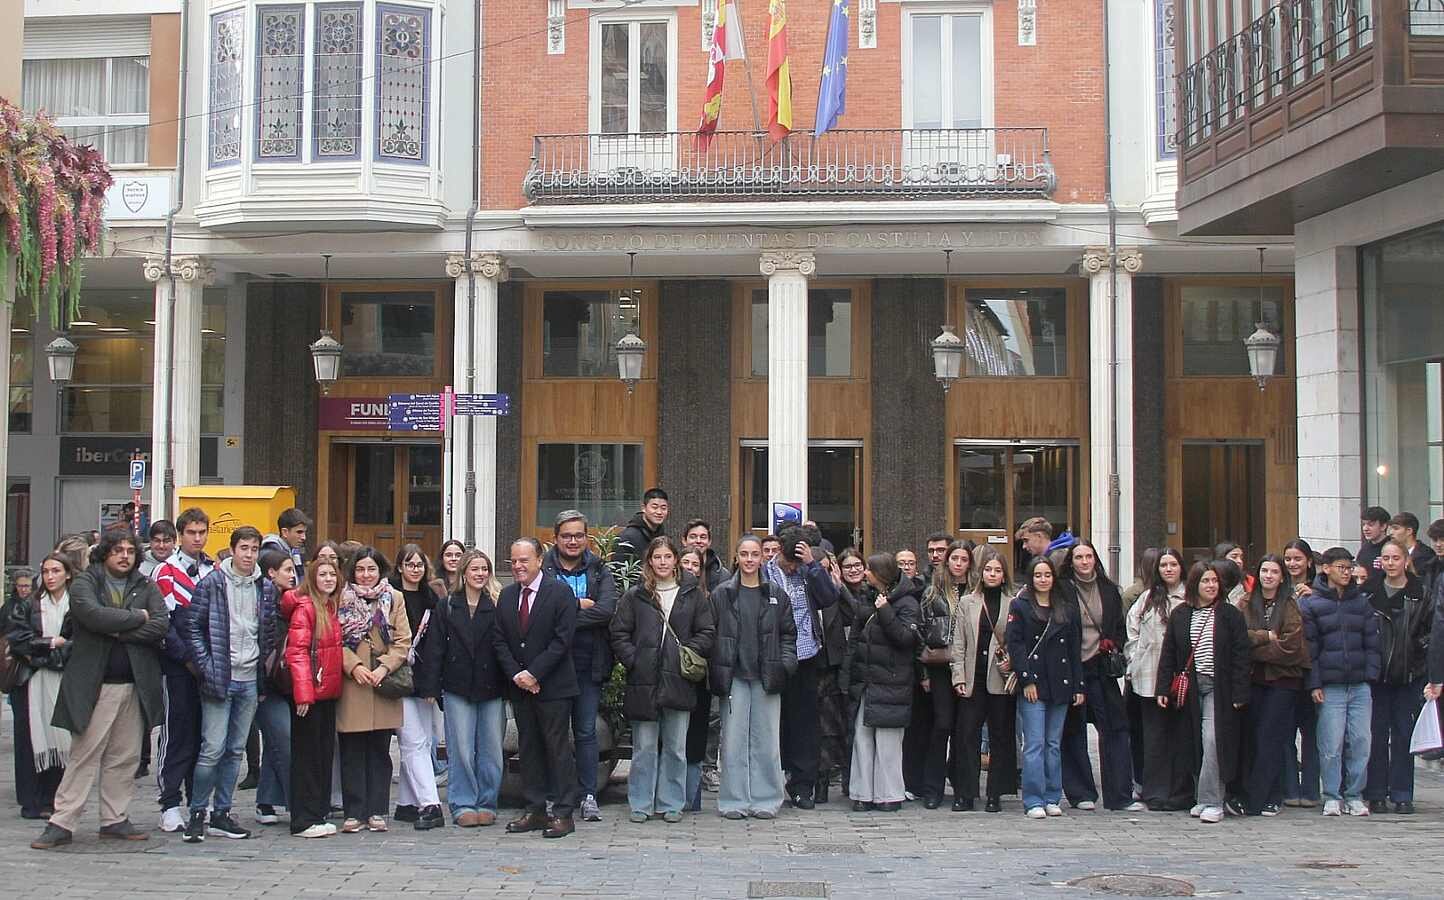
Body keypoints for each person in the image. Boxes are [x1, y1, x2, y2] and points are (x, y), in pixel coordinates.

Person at [31, 530, 169, 850]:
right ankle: (62, 821)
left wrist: (119, 632)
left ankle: (114, 818)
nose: (124, 556)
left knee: (125, 756)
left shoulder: (145, 585)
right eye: (117, 550)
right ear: (104, 553)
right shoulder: (85, 583)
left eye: (129, 551)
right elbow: (92, 615)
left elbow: (161, 623)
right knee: (84, 754)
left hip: (134, 685)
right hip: (96, 685)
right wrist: (136, 618)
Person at [179, 526, 276, 843]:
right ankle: (197, 812)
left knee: (235, 750)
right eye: (244, 548)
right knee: (212, 748)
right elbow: (193, 626)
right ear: (233, 550)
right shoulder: (213, 583)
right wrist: (207, 666)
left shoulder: (265, 586)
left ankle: (222, 812)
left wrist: (261, 663)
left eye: (254, 549)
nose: (249, 555)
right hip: (221, 677)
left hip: (250, 678)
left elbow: (270, 628)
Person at [611, 536, 716, 823]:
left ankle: (671, 802)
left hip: (679, 680)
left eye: (667, 557)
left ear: (675, 561)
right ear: (649, 561)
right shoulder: (635, 595)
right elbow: (619, 633)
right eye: (657, 557)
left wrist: (686, 654)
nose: (662, 562)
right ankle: (641, 803)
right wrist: (634, 660)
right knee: (644, 748)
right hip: (643, 681)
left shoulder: (691, 594)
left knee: (675, 747)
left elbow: (706, 632)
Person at [496, 537, 579, 839]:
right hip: (520, 686)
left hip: (553, 686)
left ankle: (563, 812)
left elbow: (562, 641)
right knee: (528, 748)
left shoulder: (560, 593)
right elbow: (500, 640)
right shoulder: (506, 596)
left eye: (523, 561)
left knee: (557, 749)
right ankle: (534, 808)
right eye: (513, 561)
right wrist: (517, 674)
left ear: (539, 560)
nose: (518, 566)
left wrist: (534, 673)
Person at [1155, 561, 1251, 824]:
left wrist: (1240, 693)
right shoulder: (1181, 614)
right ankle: (1199, 795)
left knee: (1212, 741)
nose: (1211, 586)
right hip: (1190, 688)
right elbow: (1170, 654)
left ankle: (1212, 800)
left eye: (1214, 581)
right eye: (1205, 581)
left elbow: (1242, 656)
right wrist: (1163, 687)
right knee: (1192, 742)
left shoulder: (1230, 615)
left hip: (1219, 689)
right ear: (1195, 585)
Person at [709, 535, 796, 819]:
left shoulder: (776, 595)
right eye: (744, 554)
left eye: (754, 554)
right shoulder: (722, 594)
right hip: (734, 676)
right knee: (732, 742)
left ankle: (767, 798)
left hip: (767, 677)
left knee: (766, 741)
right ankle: (733, 800)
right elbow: (710, 634)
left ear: (763, 558)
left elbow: (788, 635)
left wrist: (785, 665)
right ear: (736, 557)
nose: (749, 560)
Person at [418, 550, 506, 827]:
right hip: (457, 686)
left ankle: (487, 801)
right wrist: (431, 687)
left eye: (484, 569)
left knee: (491, 749)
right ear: (464, 573)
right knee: (462, 749)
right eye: (475, 569)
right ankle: (463, 802)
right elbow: (435, 649)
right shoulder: (446, 606)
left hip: (491, 686)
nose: (480, 574)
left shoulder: (496, 605)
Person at [1059, 540, 1141, 812]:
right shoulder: (1063, 589)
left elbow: (1119, 625)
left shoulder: (1109, 590)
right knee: (1073, 732)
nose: (1084, 562)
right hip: (1073, 667)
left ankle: (1120, 795)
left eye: (1089, 556)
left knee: (1116, 729)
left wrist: (1112, 643)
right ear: (1071, 561)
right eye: (1079, 557)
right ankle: (1081, 792)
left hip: (1101, 667)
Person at [336, 546, 413, 833]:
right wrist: (354, 666)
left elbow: (403, 640)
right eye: (360, 569)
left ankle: (378, 809)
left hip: (383, 681)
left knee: (380, 751)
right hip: (353, 682)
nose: (366, 575)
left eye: (371, 569)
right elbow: (335, 638)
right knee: (352, 750)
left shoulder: (394, 598)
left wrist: (383, 667)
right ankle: (354, 811)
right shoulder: (341, 599)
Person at [1301, 546, 1381, 817]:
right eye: (1341, 567)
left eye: (1349, 568)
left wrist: (1371, 675)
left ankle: (1355, 794)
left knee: (1361, 742)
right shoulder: (1312, 603)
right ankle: (1332, 794)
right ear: (1326, 568)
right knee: (1331, 744)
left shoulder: (1361, 602)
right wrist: (1315, 684)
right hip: (1330, 684)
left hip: (1359, 683)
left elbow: (1372, 642)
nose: (1346, 573)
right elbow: (1310, 648)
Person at [766, 523, 840, 809]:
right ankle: (771, 782)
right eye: (790, 563)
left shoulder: (807, 571)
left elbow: (829, 598)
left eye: (798, 563)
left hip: (806, 657)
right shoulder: (764, 572)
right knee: (774, 724)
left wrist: (812, 565)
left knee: (805, 726)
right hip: (773, 660)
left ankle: (802, 784)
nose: (793, 569)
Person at [1006, 556, 1085, 819]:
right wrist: (1026, 679)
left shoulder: (1065, 607)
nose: (1043, 579)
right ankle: (1033, 799)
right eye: (1038, 575)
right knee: (1035, 743)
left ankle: (1053, 796)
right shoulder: (1020, 605)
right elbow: (1015, 645)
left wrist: (1078, 685)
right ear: (1031, 578)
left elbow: (1075, 649)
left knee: (1053, 743)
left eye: (1047, 575)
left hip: (1060, 682)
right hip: (1034, 683)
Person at [151, 507, 214, 833]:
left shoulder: (213, 570)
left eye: (202, 532)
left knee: (206, 735)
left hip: (208, 667)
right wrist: (188, 659)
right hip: (177, 667)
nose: (198, 538)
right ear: (180, 536)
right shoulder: (166, 572)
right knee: (177, 733)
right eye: (191, 533)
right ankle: (170, 802)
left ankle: (199, 801)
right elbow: (163, 625)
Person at [848, 552, 922, 812]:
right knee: (863, 738)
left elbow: (905, 639)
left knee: (889, 742)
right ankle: (862, 792)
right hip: (867, 680)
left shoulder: (908, 603)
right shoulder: (866, 596)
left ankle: (889, 794)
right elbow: (855, 640)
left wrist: (886, 611)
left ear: (881, 573)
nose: (864, 573)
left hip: (892, 682)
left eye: (869, 569)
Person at [1236, 555, 1310, 817]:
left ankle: (1268, 796)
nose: (1268, 576)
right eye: (1264, 570)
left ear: (1282, 577)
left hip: (1283, 680)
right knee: (1252, 737)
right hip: (1253, 681)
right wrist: (1265, 637)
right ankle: (1251, 793)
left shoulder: (1290, 605)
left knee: (1272, 737)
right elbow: (1238, 639)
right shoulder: (1245, 602)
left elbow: (1292, 648)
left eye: (1274, 572)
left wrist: (1257, 649)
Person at [1362, 540, 1431, 814]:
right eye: (1386, 558)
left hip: (1408, 674)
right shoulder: (1368, 592)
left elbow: (1430, 630)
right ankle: (1376, 791)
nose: (1391, 563)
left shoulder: (1420, 592)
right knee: (1376, 735)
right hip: (1377, 676)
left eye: (1395, 558)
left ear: (1405, 560)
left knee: (1404, 735)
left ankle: (1403, 793)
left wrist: (1418, 654)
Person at [950, 546, 1017, 813]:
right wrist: (958, 676)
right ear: (981, 573)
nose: (992, 574)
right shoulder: (968, 602)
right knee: (967, 736)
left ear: (1004, 575)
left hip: (999, 679)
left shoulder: (1013, 602)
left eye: (997, 570)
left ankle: (994, 793)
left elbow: (1016, 638)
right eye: (988, 569)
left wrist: (1012, 661)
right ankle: (965, 793)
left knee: (1000, 737)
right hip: (972, 677)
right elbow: (958, 642)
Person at [6, 555, 73, 819]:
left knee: (62, 736)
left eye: (56, 571)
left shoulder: (76, 604)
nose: (50, 576)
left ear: (67, 574)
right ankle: (31, 801)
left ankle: (54, 797)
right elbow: (21, 641)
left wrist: (52, 651)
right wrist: (51, 645)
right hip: (29, 680)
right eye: (46, 571)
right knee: (28, 740)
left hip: (63, 680)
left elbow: (75, 643)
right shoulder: (28, 604)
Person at [283, 556, 344, 839]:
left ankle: (317, 813)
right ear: (312, 578)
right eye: (323, 575)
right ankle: (303, 818)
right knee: (307, 757)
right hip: (310, 694)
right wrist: (304, 694)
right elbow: (296, 653)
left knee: (321, 755)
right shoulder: (306, 608)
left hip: (327, 692)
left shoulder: (329, 606)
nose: (329, 579)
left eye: (332, 574)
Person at [1127, 547, 1190, 811]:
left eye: (1173, 564)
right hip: (1148, 678)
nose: (1168, 569)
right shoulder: (1147, 598)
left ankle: (1181, 791)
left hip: (1180, 679)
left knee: (1179, 736)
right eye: (1164, 565)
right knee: (1154, 738)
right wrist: (1134, 661)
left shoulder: (1190, 597)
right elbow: (1132, 633)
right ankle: (1154, 791)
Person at [389, 544, 444, 830]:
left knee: (422, 739)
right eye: (409, 564)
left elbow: (436, 643)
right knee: (412, 741)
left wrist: (433, 683)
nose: (415, 569)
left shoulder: (431, 597)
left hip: (424, 679)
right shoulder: (389, 595)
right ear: (399, 567)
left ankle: (407, 803)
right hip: (396, 677)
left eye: (419, 564)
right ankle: (430, 803)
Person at [914, 540, 970, 808]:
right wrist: (923, 672)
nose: (958, 564)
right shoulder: (933, 592)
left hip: (969, 668)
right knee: (942, 724)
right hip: (939, 667)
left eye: (963, 559)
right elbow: (921, 633)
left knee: (964, 728)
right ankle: (932, 787)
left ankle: (962, 785)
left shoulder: (976, 591)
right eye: (954, 559)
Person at [681, 519, 729, 806]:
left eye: (703, 536)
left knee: (709, 718)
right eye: (693, 536)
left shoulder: (721, 576)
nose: (699, 540)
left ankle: (706, 770)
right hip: (675, 664)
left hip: (709, 658)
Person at [252, 548, 297, 827]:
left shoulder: (292, 602)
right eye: (287, 570)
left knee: (276, 742)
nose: (293, 576)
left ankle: (265, 800)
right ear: (271, 573)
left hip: (289, 684)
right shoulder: (263, 603)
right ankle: (300, 802)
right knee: (283, 737)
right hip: (265, 685)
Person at [1280, 538, 1322, 807]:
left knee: (1311, 732)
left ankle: (1310, 789)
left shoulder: (1320, 590)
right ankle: (1289, 788)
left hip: (1311, 669)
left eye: (1297, 559)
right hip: (1285, 671)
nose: (1292, 564)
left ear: (1309, 561)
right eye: (1288, 559)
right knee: (1285, 732)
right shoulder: (1279, 589)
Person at [814, 549, 857, 805]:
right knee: (817, 731)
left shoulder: (838, 595)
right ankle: (817, 782)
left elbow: (856, 615)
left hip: (836, 669)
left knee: (836, 729)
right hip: (811, 668)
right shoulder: (801, 593)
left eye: (827, 569)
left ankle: (844, 781)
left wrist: (841, 588)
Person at [614, 487, 670, 564]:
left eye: (663, 508)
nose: (659, 512)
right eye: (654, 507)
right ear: (643, 508)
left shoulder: (664, 537)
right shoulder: (626, 538)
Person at [261, 508, 310, 579]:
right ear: (285, 532)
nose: (303, 537)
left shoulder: (295, 553)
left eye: (304, 532)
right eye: (299, 532)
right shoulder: (271, 553)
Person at [1356, 506, 1391, 570]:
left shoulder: (1394, 548)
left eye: (1371, 525)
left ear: (1383, 526)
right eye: (1363, 524)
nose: (1365, 529)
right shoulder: (1364, 550)